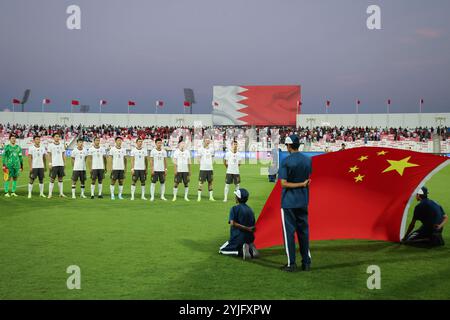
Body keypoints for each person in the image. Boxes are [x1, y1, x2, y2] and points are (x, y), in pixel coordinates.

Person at [279, 134, 312, 272]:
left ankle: (291, 264)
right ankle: (306, 262)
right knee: (304, 232)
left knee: (289, 234)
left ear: (289, 146)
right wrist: (303, 184)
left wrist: (299, 184)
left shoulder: (286, 161)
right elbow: (307, 179)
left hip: (289, 202)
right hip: (303, 201)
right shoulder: (308, 160)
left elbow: (283, 184)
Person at [219, 188, 259, 260]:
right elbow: (253, 226)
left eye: (236, 196)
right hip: (250, 238)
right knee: (243, 240)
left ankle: (241, 251)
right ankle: (250, 247)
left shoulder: (234, 208)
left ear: (238, 198)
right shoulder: (250, 209)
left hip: (238, 238)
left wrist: (246, 228)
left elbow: (232, 223)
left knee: (221, 250)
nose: (235, 197)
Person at [47, 132, 66, 198]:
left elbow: (63, 154)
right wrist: (50, 163)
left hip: (61, 164)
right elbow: (49, 155)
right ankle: (50, 194)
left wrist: (64, 163)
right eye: (56, 136)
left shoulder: (62, 145)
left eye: (58, 136)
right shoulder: (50, 145)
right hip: (54, 164)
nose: (57, 138)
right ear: (53, 137)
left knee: (60, 179)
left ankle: (61, 193)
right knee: (52, 179)